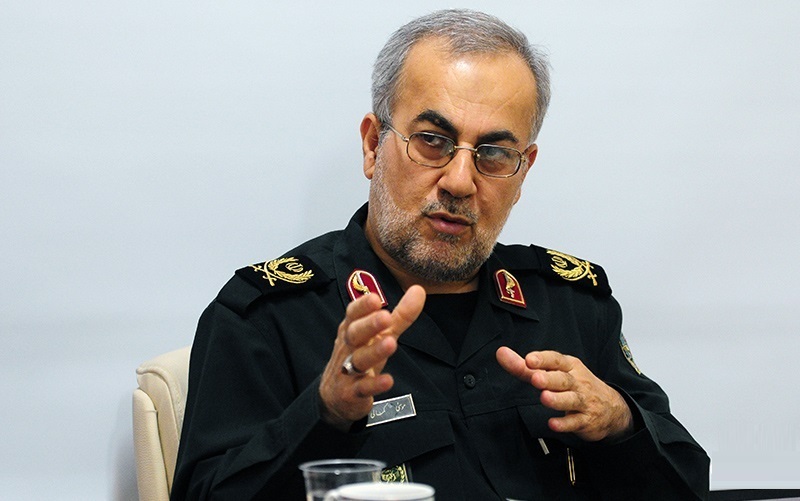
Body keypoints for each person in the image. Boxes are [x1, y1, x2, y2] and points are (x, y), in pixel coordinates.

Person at [171, 9, 710, 500]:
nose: (459, 181)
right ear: (373, 145)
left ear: (523, 172)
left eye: (493, 153)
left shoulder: (573, 307)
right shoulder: (267, 318)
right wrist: (324, 413)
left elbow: (689, 487)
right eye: (432, 140)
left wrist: (620, 424)